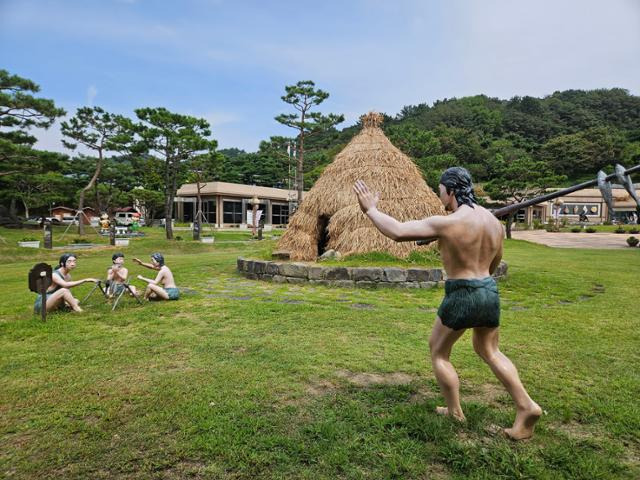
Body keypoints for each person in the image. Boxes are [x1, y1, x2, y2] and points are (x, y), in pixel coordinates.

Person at [353, 167, 542, 440]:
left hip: (462, 292)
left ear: (451, 191)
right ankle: (526, 405)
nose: (438, 195)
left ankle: (455, 412)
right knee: (490, 350)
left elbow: (396, 231)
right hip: (488, 289)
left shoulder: (447, 223)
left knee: (438, 350)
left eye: (440, 190)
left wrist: (370, 209)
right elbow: (495, 261)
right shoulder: (493, 223)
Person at [33, 253, 99, 313]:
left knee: (75, 300)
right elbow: (65, 285)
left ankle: (64, 308)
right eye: (69, 261)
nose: (73, 264)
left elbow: (68, 293)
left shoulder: (68, 276)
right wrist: (85, 280)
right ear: (62, 263)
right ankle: (77, 309)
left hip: (53, 300)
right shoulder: (54, 275)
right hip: (43, 305)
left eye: (74, 261)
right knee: (64, 291)